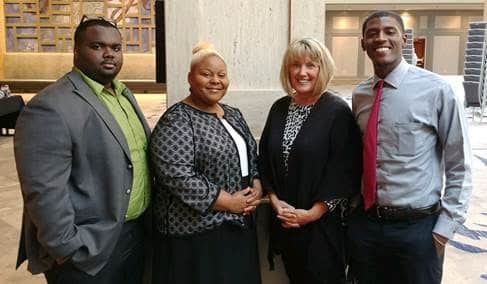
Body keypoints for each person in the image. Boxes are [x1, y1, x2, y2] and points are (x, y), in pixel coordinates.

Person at [14, 16, 151, 284]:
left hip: (134, 237)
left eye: (116, 47)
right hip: (89, 249)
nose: (109, 53)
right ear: (76, 51)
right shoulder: (50, 106)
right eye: (97, 46)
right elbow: (43, 190)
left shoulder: (123, 95)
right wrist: (67, 248)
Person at [348, 10, 472, 284]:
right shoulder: (360, 95)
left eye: (389, 31)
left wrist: (444, 231)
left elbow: (460, 164)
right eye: (372, 33)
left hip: (417, 229)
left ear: (403, 39)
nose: (381, 38)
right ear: (363, 43)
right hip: (367, 226)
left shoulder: (436, 90)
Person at [150, 43, 262, 284]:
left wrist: (256, 183)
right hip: (196, 236)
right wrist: (229, 202)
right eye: (206, 74)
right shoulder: (178, 119)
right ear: (190, 78)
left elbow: (251, 155)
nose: (215, 81)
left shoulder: (232, 113)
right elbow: (177, 175)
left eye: (221, 75)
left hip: (238, 226)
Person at [259, 38, 362, 284]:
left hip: (322, 230)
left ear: (322, 69)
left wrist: (310, 214)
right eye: (295, 65)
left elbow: (345, 171)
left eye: (310, 65)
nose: (302, 72)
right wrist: (275, 202)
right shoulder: (280, 108)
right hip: (285, 224)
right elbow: (264, 159)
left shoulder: (336, 111)